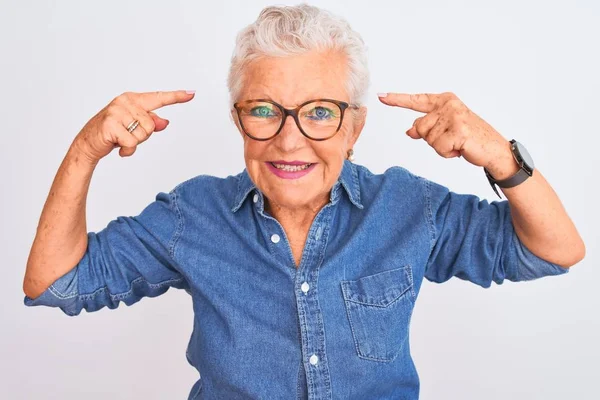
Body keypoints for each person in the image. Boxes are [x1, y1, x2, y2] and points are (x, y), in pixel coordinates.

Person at [22, 4, 585, 399]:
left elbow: (556, 251)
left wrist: (503, 159)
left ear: (354, 127)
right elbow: (53, 283)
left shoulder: (409, 208)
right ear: (238, 120)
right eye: (264, 110)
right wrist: (85, 150)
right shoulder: (189, 216)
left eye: (319, 112)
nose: (289, 140)